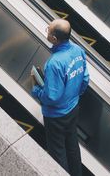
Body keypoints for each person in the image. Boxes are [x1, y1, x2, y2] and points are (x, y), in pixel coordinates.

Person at [31, 19, 89, 176]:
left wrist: (36, 90)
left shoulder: (54, 63)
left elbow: (52, 97)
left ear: (54, 39)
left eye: (48, 30)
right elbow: (85, 79)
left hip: (56, 116)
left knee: (57, 153)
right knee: (72, 147)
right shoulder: (78, 51)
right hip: (73, 109)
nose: (47, 31)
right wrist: (73, 96)